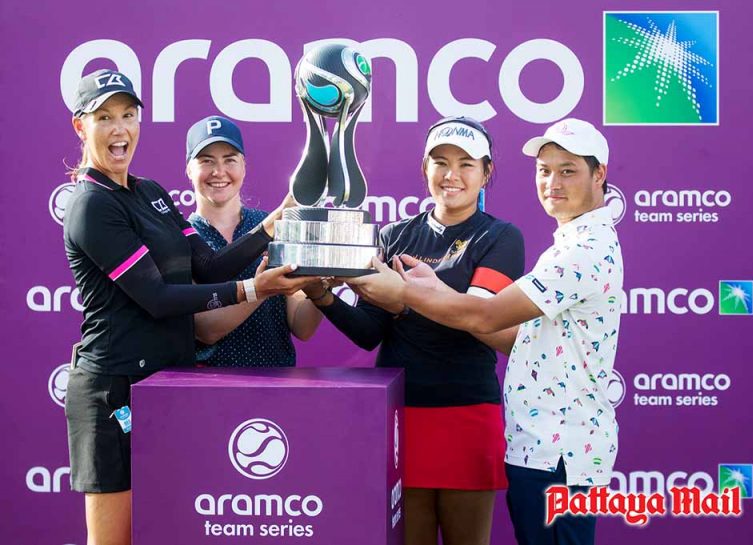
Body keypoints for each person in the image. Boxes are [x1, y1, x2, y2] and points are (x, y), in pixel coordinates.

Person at [63, 69, 316, 545]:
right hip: (115, 390)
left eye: (128, 115)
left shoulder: (151, 193)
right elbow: (158, 298)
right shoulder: (92, 204)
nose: (120, 129)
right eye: (105, 118)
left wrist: (277, 219)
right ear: (82, 126)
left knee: (170, 530)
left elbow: (210, 265)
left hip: (166, 385)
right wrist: (253, 289)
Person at [350, 118, 623, 545]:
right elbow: (510, 332)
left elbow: (486, 318)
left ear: (599, 174)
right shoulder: (571, 243)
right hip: (542, 444)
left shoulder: (583, 251)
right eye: (544, 170)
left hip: (561, 449)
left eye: (567, 170)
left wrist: (403, 292)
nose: (552, 182)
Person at [302, 116, 525, 545]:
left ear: (486, 173)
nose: (451, 175)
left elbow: (478, 319)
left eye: (466, 164)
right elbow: (369, 332)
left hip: (466, 412)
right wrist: (322, 296)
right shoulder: (394, 235)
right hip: (401, 416)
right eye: (440, 162)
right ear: (425, 168)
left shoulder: (500, 237)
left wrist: (404, 300)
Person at [186, 116, 323, 366]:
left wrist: (323, 284)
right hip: (210, 384)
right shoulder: (181, 237)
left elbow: (302, 327)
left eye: (230, 160)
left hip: (276, 380)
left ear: (244, 167)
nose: (219, 172)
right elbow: (205, 329)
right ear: (189, 170)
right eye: (207, 161)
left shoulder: (277, 228)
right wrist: (262, 289)